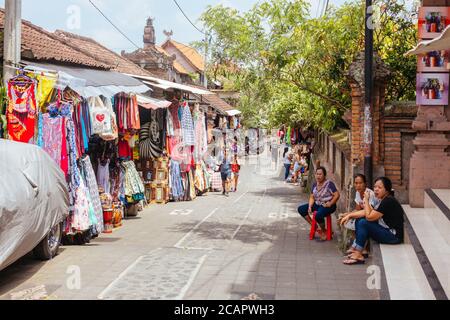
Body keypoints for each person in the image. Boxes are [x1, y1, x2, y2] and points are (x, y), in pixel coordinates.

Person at [343, 177, 404, 265]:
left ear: (387, 190)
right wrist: (350, 215)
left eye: (379, 187)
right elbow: (366, 213)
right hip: (386, 230)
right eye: (375, 187)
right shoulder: (382, 199)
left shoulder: (388, 201)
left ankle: (358, 253)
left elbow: (369, 216)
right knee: (360, 220)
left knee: (364, 222)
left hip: (393, 236)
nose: (376, 189)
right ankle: (360, 250)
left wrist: (366, 200)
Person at [339, 174, 381, 257]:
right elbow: (357, 209)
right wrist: (347, 214)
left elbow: (368, 211)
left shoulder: (370, 194)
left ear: (365, 183)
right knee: (349, 221)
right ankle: (358, 246)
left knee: (359, 221)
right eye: (356, 183)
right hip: (364, 215)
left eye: (360, 183)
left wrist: (351, 215)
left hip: (374, 217)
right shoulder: (358, 193)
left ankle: (360, 247)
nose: (358, 185)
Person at [298, 167, 340, 241]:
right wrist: (310, 206)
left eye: (320, 174)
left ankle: (324, 231)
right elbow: (312, 197)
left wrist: (330, 203)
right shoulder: (315, 185)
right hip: (317, 204)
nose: (318, 176)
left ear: (324, 175)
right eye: (317, 174)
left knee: (318, 215)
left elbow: (337, 195)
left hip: (328, 205)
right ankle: (314, 226)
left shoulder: (329, 184)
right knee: (301, 209)